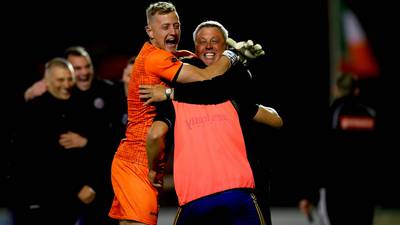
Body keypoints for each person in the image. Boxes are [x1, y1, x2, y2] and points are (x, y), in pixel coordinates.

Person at [108, 2, 249, 225]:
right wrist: (232, 56)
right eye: (165, 27)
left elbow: (204, 66)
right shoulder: (157, 59)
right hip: (141, 161)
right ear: (150, 32)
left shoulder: (168, 55)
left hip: (133, 159)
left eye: (176, 25)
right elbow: (209, 77)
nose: (173, 32)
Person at [140, 20, 281, 225]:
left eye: (215, 41)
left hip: (211, 196)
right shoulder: (229, 83)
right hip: (235, 195)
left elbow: (274, 119)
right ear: (195, 48)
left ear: (225, 47)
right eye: (202, 41)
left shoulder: (231, 82)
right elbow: (275, 120)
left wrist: (153, 168)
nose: (208, 46)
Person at [12, 57, 99, 225]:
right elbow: (36, 160)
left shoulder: (83, 107)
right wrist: (75, 187)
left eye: (69, 79)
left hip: (76, 202)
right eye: (60, 79)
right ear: (48, 81)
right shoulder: (33, 111)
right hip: (42, 199)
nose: (66, 84)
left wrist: (91, 184)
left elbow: (98, 147)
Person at [298, 73, 377, 225]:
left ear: (337, 89)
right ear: (356, 91)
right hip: (365, 192)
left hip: (335, 193)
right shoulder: (370, 115)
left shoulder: (330, 114)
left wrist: (308, 195)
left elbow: (319, 155)